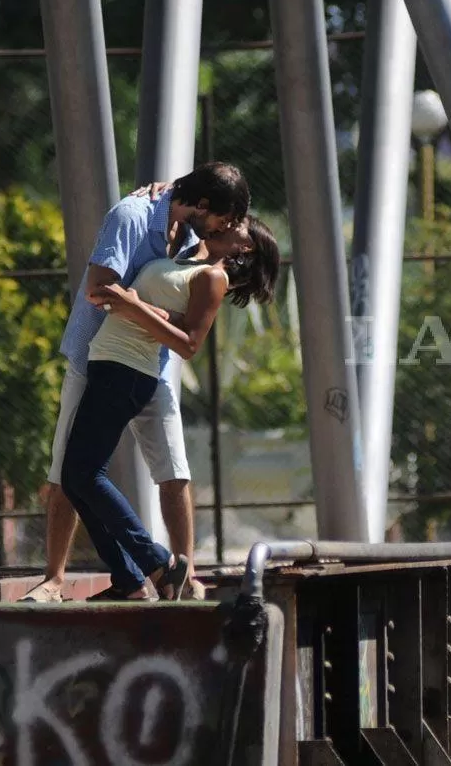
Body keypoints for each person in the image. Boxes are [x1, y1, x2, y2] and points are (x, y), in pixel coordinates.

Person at [19, 162, 249, 603]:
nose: (223, 228)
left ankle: (179, 575)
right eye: (222, 218)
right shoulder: (133, 215)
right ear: (202, 205)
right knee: (68, 471)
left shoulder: (187, 234)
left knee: (172, 469)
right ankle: (58, 578)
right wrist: (146, 310)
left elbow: (181, 314)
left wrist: (144, 310)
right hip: (97, 357)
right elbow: (100, 289)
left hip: (152, 365)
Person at [64, 213, 280, 600]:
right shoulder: (187, 258)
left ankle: (158, 564)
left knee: (85, 474)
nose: (230, 220)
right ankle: (130, 580)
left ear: (245, 246)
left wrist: (132, 306)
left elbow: (188, 344)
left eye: (240, 223)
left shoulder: (213, 277)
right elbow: (171, 314)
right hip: (111, 364)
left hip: (128, 372)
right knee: (75, 477)